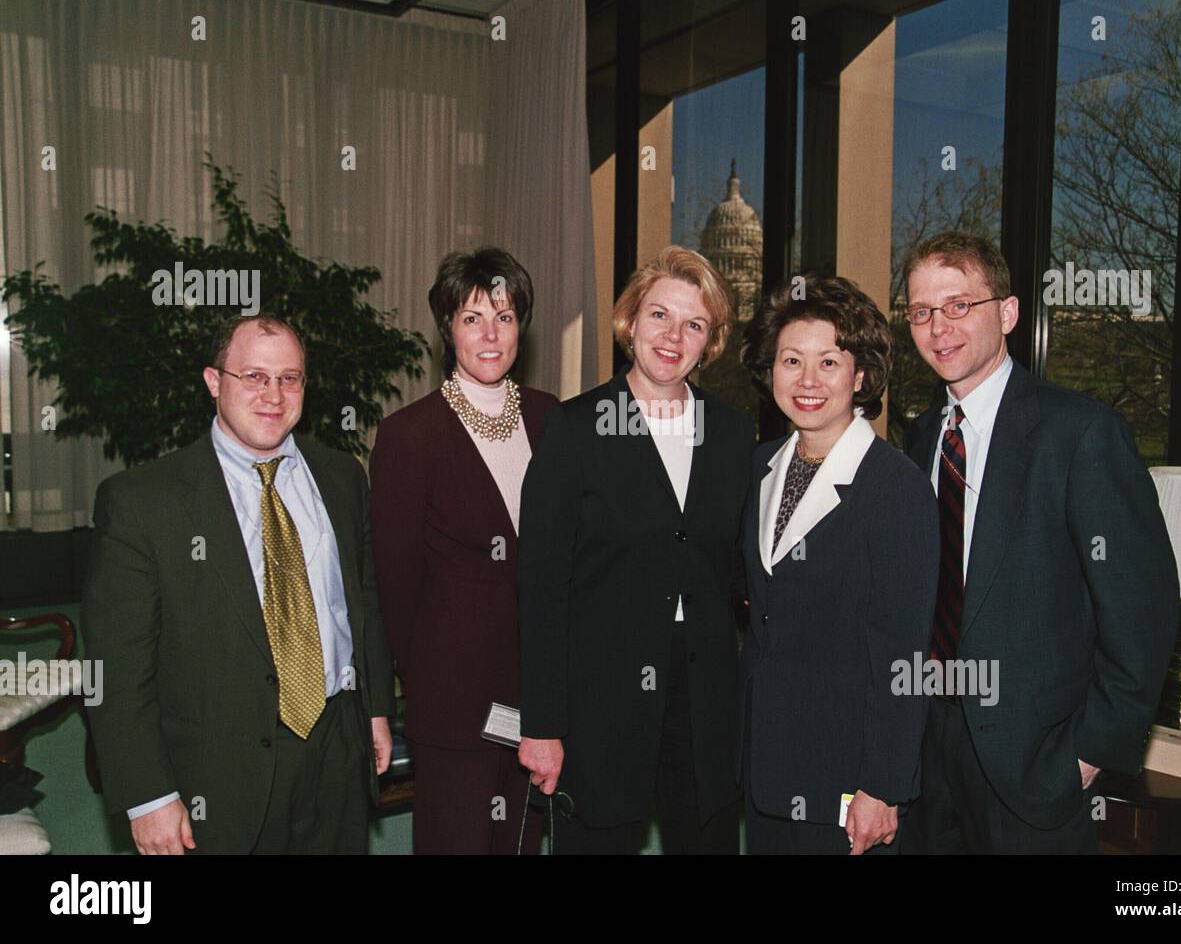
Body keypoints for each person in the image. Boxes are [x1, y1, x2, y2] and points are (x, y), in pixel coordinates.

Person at [897, 230, 1179, 854]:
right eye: (921, 311)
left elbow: (1142, 608)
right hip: (929, 754)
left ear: (1009, 313)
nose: (939, 327)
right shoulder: (920, 439)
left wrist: (1089, 752)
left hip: (1035, 765)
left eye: (958, 305)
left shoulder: (1081, 434)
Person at [82, 315, 395, 854]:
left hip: (337, 749)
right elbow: (115, 667)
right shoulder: (143, 502)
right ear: (213, 381)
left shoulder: (343, 478)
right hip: (218, 771)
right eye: (253, 376)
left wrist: (375, 709)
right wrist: (148, 795)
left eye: (289, 378)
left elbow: (362, 602)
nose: (273, 394)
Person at [516, 245, 753, 854]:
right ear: (630, 322)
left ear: (710, 341)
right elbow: (541, 588)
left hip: (704, 706)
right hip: (600, 704)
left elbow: (740, 577)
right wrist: (542, 726)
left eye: (694, 324)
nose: (673, 336)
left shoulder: (732, 435)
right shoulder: (572, 430)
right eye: (659, 316)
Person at [737, 275, 938, 855]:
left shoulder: (895, 488)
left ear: (862, 376)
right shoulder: (760, 467)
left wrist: (884, 787)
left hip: (850, 783)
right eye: (791, 360)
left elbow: (904, 653)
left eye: (829, 361)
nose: (807, 380)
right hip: (765, 768)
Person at [369, 247, 557, 854]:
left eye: (504, 317)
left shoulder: (552, 418)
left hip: (540, 692)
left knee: (522, 843)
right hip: (454, 701)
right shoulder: (408, 437)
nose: (490, 334)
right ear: (447, 328)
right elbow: (395, 588)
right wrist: (429, 678)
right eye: (472, 318)